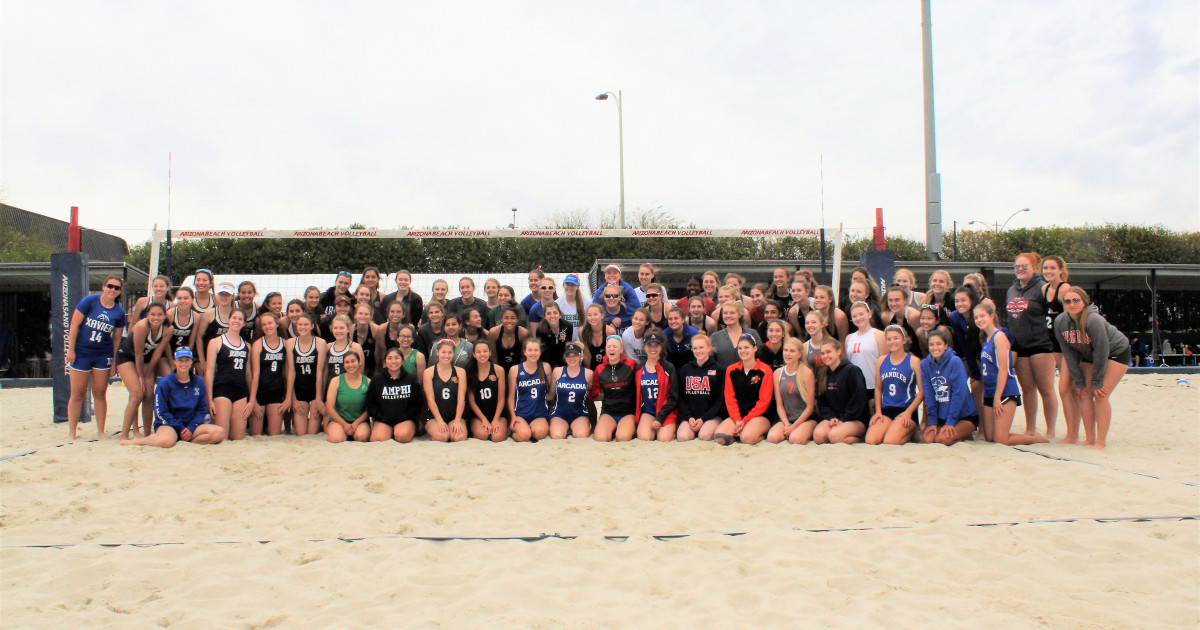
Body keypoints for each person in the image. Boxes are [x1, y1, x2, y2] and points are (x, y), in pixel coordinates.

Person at [1054, 287, 1130, 450]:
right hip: (1088, 355)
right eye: (1068, 301)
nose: (1072, 304)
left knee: (1100, 394)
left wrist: (1097, 381)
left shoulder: (1094, 320)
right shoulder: (1061, 321)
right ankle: (1089, 438)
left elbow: (1102, 350)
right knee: (1083, 393)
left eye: (1076, 300)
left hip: (1116, 352)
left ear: (1084, 302)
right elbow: (1068, 352)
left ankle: (1100, 441)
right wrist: (1079, 381)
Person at [121, 347, 227, 447]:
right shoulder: (165, 383)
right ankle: (139, 442)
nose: (184, 363)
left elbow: (202, 409)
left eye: (187, 360)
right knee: (165, 442)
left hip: (190, 424)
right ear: (174, 362)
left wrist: (190, 428)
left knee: (220, 433)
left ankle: (187, 443)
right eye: (180, 360)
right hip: (169, 424)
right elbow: (161, 412)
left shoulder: (198, 381)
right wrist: (180, 428)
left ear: (191, 362)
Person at [976, 302, 1048, 446]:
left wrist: (997, 397)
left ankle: (1035, 438)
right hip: (990, 392)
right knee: (990, 437)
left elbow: (1004, 369)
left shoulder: (999, 336)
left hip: (1005, 392)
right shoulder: (986, 339)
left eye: (982, 316)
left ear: (991, 316)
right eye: (976, 317)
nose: (979, 320)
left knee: (1001, 439)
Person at [1006, 252, 1059, 439]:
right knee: (1027, 388)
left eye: (1024, 266)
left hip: (1041, 344)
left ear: (1034, 268)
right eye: (1017, 266)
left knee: (1046, 388)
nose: (1020, 269)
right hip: (1020, 346)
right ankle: (1030, 428)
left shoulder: (1043, 288)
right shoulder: (1011, 290)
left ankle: (1051, 430)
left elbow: (1055, 312)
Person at [115, 302, 171, 439]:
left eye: (159, 314)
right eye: (152, 314)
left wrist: (147, 375)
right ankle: (125, 434)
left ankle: (147, 433)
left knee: (149, 393)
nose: (156, 318)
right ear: (147, 315)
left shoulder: (168, 329)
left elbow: (157, 353)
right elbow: (137, 354)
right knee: (137, 393)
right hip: (127, 356)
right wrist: (141, 376)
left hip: (147, 359)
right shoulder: (141, 327)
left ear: (164, 316)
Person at [1041, 255, 1078, 444]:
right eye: (1046, 268)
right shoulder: (1044, 288)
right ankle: (1070, 432)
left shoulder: (1064, 289)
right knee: (1065, 390)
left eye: (1052, 268)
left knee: (1066, 390)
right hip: (1052, 344)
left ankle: (1073, 434)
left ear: (1061, 270)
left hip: (1066, 344)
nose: (1048, 271)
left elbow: (1073, 316)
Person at [866, 325, 923, 445]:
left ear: (904, 340)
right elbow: (878, 388)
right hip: (886, 410)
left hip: (905, 410)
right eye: (889, 339)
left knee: (890, 441)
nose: (892, 342)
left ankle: (911, 430)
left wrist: (908, 412)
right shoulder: (881, 361)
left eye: (896, 338)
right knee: (871, 440)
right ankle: (892, 427)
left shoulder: (914, 361)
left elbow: (922, 392)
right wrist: (878, 411)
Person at [919, 330, 978, 446]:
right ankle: (958, 434)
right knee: (928, 439)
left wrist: (951, 421)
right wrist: (933, 422)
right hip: (942, 417)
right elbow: (929, 395)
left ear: (946, 345)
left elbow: (959, 393)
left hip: (963, 416)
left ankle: (965, 432)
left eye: (939, 344)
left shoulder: (954, 361)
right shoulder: (925, 364)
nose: (935, 347)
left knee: (942, 440)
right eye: (931, 344)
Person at [713, 334, 773, 445]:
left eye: (746, 347)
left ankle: (758, 434)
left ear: (755, 349)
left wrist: (745, 421)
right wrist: (737, 420)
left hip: (760, 415)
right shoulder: (731, 370)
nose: (742, 351)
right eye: (740, 348)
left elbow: (764, 402)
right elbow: (730, 398)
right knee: (720, 438)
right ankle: (739, 431)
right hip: (738, 416)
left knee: (747, 438)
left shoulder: (765, 370)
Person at [206, 309, 251, 440]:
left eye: (240, 319)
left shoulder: (247, 346)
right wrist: (209, 399)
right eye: (234, 318)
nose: (236, 321)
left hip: (240, 391)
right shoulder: (216, 342)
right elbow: (209, 372)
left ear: (244, 323)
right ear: (229, 320)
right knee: (222, 436)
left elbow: (249, 375)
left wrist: (252, 399)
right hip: (222, 390)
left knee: (238, 437)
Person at [812, 339, 870, 444]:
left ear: (839, 352)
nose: (825, 356)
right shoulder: (823, 374)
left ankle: (859, 438)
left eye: (829, 352)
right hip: (835, 419)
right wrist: (831, 417)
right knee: (819, 436)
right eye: (823, 353)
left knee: (834, 436)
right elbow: (822, 403)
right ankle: (842, 436)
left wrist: (844, 419)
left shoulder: (852, 370)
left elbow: (859, 400)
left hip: (855, 419)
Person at [675, 333, 726, 442]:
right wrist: (689, 417)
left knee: (704, 436)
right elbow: (681, 398)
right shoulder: (685, 369)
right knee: (682, 437)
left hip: (711, 416)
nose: (698, 351)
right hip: (691, 417)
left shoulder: (719, 369)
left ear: (709, 348)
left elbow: (720, 400)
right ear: (692, 350)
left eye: (701, 347)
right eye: (695, 348)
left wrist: (704, 419)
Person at [766, 337, 817, 445]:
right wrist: (787, 424)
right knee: (772, 438)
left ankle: (806, 433)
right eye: (786, 350)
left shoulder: (806, 373)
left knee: (795, 439)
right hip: (787, 419)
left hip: (805, 419)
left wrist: (794, 426)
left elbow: (810, 407)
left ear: (799, 354)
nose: (788, 354)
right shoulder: (778, 373)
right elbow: (779, 405)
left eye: (792, 351)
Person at [367, 347, 424, 443]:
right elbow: (371, 404)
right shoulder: (377, 380)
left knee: (402, 437)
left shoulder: (410, 380)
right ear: (385, 361)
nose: (393, 361)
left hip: (405, 419)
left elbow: (416, 404)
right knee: (378, 439)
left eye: (397, 358)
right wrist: (382, 417)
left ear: (402, 361)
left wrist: (405, 417)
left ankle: (398, 431)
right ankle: (388, 431)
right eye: (389, 358)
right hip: (384, 420)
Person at [591, 335, 639, 442]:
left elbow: (640, 388)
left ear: (621, 349)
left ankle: (626, 428)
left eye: (615, 346)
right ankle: (611, 428)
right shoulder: (599, 369)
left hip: (627, 412)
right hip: (609, 412)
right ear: (606, 349)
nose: (611, 349)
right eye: (609, 347)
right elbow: (594, 392)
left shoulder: (631, 365)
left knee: (622, 438)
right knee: (601, 438)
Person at [634, 331, 680, 442]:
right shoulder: (639, 368)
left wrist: (660, 418)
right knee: (645, 437)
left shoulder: (668, 367)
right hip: (648, 411)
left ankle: (674, 427)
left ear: (661, 346)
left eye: (656, 345)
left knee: (663, 438)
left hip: (666, 412)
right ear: (644, 347)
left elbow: (673, 396)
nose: (653, 348)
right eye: (649, 345)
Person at [286, 313, 327, 436]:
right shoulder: (290, 343)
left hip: (315, 390)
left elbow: (320, 373)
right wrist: (292, 398)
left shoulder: (320, 343)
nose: (302, 327)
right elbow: (291, 371)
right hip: (299, 391)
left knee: (312, 432)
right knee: (301, 433)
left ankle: (320, 422)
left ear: (312, 326)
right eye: (300, 324)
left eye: (306, 324)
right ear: (296, 326)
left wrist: (319, 399)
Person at [249, 312, 288, 437]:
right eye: (264, 324)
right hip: (260, 392)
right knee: (256, 434)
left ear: (276, 324)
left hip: (276, 391)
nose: (267, 326)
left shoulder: (285, 343)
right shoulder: (258, 344)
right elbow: (255, 374)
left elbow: (287, 373)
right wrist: (253, 400)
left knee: (274, 434)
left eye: (269, 323)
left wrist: (288, 397)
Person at [424, 339, 469, 442]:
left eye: (450, 352)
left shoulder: (460, 372)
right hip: (434, 417)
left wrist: (457, 420)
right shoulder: (429, 372)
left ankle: (453, 425)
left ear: (453, 353)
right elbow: (430, 400)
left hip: (454, 416)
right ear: (437, 352)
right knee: (442, 437)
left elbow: (461, 399)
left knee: (458, 437)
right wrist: (439, 421)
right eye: (443, 352)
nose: (446, 355)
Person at [508, 338, 552, 442]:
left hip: (539, 414)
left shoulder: (546, 367)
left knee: (539, 434)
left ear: (540, 352)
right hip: (521, 413)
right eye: (530, 350)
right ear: (524, 352)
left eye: (536, 350)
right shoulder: (515, 370)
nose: (533, 353)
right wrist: (513, 417)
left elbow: (551, 393)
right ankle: (517, 433)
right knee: (524, 436)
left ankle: (530, 428)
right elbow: (510, 397)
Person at [846, 302, 886, 414]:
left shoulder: (879, 335)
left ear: (869, 314)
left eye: (861, 314)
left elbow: (885, 363)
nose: (858, 318)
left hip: (873, 385)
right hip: (855, 387)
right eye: (855, 316)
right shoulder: (849, 338)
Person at [466, 341, 509, 442]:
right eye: (479, 352)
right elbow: (472, 401)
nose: (482, 354)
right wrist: (483, 420)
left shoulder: (498, 370)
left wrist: (495, 419)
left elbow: (501, 398)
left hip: (497, 413)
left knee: (497, 437)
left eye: (485, 351)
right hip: (478, 414)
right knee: (483, 435)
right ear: (474, 354)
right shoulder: (470, 372)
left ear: (490, 353)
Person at [324, 351, 370, 443]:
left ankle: (353, 433)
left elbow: (370, 409)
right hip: (339, 421)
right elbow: (329, 407)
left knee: (361, 437)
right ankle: (341, 432)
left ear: (359, 363)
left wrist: (356, 423)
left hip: (359, 421)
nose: (350, 365)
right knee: (336, 439)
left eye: (353, 361)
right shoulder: (336, 381)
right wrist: (344, 425)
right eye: (347, 362)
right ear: (343, 365)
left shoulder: (368, 382)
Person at [549, 342, 593, 439]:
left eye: (575, 355)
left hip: (579, 414)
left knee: (581, 435)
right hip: (559, 414)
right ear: (565, 357)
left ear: (580, 356)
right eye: (569, 355)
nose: (572, 358)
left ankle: (574, 427)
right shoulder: (557, 371)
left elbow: (591, 395)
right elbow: (551, 395)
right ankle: (564, 427)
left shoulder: (588, 374)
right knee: (557, 436)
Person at [196, 282, 236, 379]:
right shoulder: (209, 314)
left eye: (227, 294)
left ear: (233, 296)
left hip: (228, 359)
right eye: (221, 294)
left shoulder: (237, 314)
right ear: (217, 295)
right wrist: (202, 361)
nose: (224, 297)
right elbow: (199, 337)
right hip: (209, 357)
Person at [711, 301, 760, 367]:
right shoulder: (715, 337)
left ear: (739, 314)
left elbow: (759, 356)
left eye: (732, 313)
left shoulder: (752, 333)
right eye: (725, 313)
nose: (728, 316)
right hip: (723, 375)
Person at [324, 314, 365, 390]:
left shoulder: (355, 347)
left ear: (348, 329)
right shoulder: (328, 347)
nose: (338, 331)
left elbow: (360, 372)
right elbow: (325, 372)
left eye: (342, 328)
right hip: (330, 388)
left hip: (349, 389)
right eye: (335, 328)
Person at [488, 306, 529, 375]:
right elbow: (493, 357)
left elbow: (524, 357)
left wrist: (517, 374)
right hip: (498, 369)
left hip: (518, 369)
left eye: (513, 318)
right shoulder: (493, 333)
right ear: (501, 320)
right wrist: (499, 374)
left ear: (517, 320)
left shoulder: (523, 333)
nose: (509, 321)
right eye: (506, 318)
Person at [166, 286, 198, 370]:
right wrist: (172, 362)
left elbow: (191, 342)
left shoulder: (196, 317)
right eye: (179, 298)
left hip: (185, 353)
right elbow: (165, 342)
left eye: (186, 298)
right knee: (171, 377)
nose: (182, 301)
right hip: (168, 353)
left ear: (192, 299)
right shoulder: (170, 314)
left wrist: (186, 360)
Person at [351, 303, 385, 377]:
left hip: (371, 370)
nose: (363, 316)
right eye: (360, 313)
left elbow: (380, 355)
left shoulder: (376, 330)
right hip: (354, 370)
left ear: (370, 317)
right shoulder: (350, 331)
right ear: (355, 315)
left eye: (366, 314)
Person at [578, 303, 615, 371]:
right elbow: (587, 355)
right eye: (589, 315)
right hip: (591, 366)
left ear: (602, 316)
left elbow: (611, 355)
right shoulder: (582, 331)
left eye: (595, 314)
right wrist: (588, 373)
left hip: (606, 367)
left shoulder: (609, 331)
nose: (592, 318)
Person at [535, 302, 572, 367]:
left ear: (559, 314)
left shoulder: (568, 326)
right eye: (549, 313)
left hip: (564, 362)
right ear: (545, 316)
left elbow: (567, 348)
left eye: (555, 312)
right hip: (547, 363)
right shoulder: (540, 330)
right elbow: (543, 352)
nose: (552, 316)